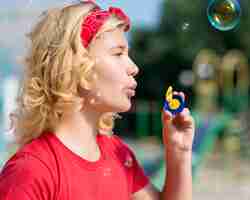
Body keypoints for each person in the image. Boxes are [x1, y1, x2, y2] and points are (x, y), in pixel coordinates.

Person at [0, 1, 195, 199]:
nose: (134, 67)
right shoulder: (33, 171)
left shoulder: (119, 154)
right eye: (118, 54)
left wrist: (179, 152)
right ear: (75, 68)